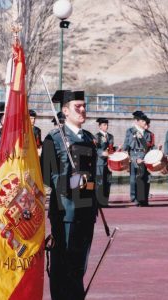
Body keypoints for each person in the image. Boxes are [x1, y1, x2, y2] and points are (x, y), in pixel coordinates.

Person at [41, 90, 98, 300]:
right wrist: (73, 182)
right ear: (65, 111)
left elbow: (94, 176)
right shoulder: (54, 138)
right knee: (62, 267)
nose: (82, 110)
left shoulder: (89, 138)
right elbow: (46, 176)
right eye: (77, 106)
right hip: (65, 212)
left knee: (79, 265)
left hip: (87, 211)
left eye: (84, 105)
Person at [123, 111, 151, 206]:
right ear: (137, 121)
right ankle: (135, 198)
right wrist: (128, 157)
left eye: (145, 121)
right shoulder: (130, 131)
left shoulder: (148, 133)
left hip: (146, 157)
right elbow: (127, 145)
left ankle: (144, 199)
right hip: (135, 156)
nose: (145, 123)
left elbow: (151, 145)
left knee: (146, 178)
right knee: (135, 179)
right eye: (143, 121)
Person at [95, 117, 114, 207]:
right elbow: (95, 148)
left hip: (109, 162)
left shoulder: (110, 136)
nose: (106, 126)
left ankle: (105, 202)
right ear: (100, 126)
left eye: (107, 125)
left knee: (108, 182)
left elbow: (111, 148)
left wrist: (116, 149)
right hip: (100, 162)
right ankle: (99, 201)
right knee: (100, 182)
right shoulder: (96, 136)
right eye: (104, 125)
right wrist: (102, 153)